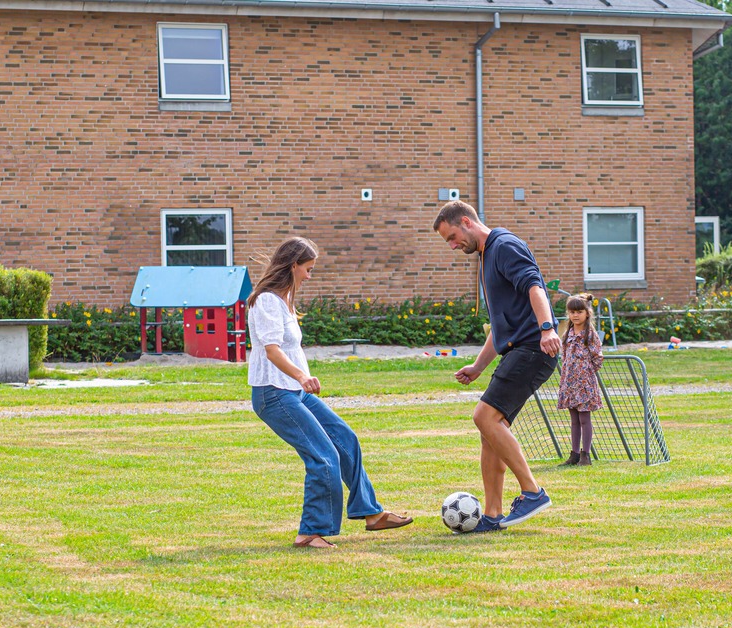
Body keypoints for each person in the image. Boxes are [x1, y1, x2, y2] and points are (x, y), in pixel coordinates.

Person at [247, 236, 413, 549]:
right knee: (323, 456)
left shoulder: (283, 299)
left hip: (292, 391)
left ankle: (371, 513)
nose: (310, 276)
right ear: (293, 265)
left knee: (345, 439)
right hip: (273, 393)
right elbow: (271, 351)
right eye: (308, 269)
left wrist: (300, 381)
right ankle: (310, 533)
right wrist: (302, 376)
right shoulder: (267, 300)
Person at [433, 200, 561, 532]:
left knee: (484, 417)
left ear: (466, 221)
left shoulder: (503, 245)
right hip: (519, 348)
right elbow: (502, 324)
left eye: (452, 237)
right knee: (490, 433)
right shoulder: (487, 256)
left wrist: (547, 328)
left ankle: (532, 491)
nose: (453, 245)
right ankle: (492, 516)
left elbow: (535, 287)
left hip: (533, 348)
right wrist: (477, 366)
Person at [556, 293, 603, 466]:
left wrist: (587, 372)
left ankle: (586, 454)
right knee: (574, 419)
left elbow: (597, 357)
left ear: (587, 313)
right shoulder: (567, 333)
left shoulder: (589, 334)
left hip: (584, 382)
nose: (575, 315)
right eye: (572, 312)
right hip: (570, 382)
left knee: (584, 419)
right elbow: (564, 355)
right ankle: (574, 454)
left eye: (579, 311)